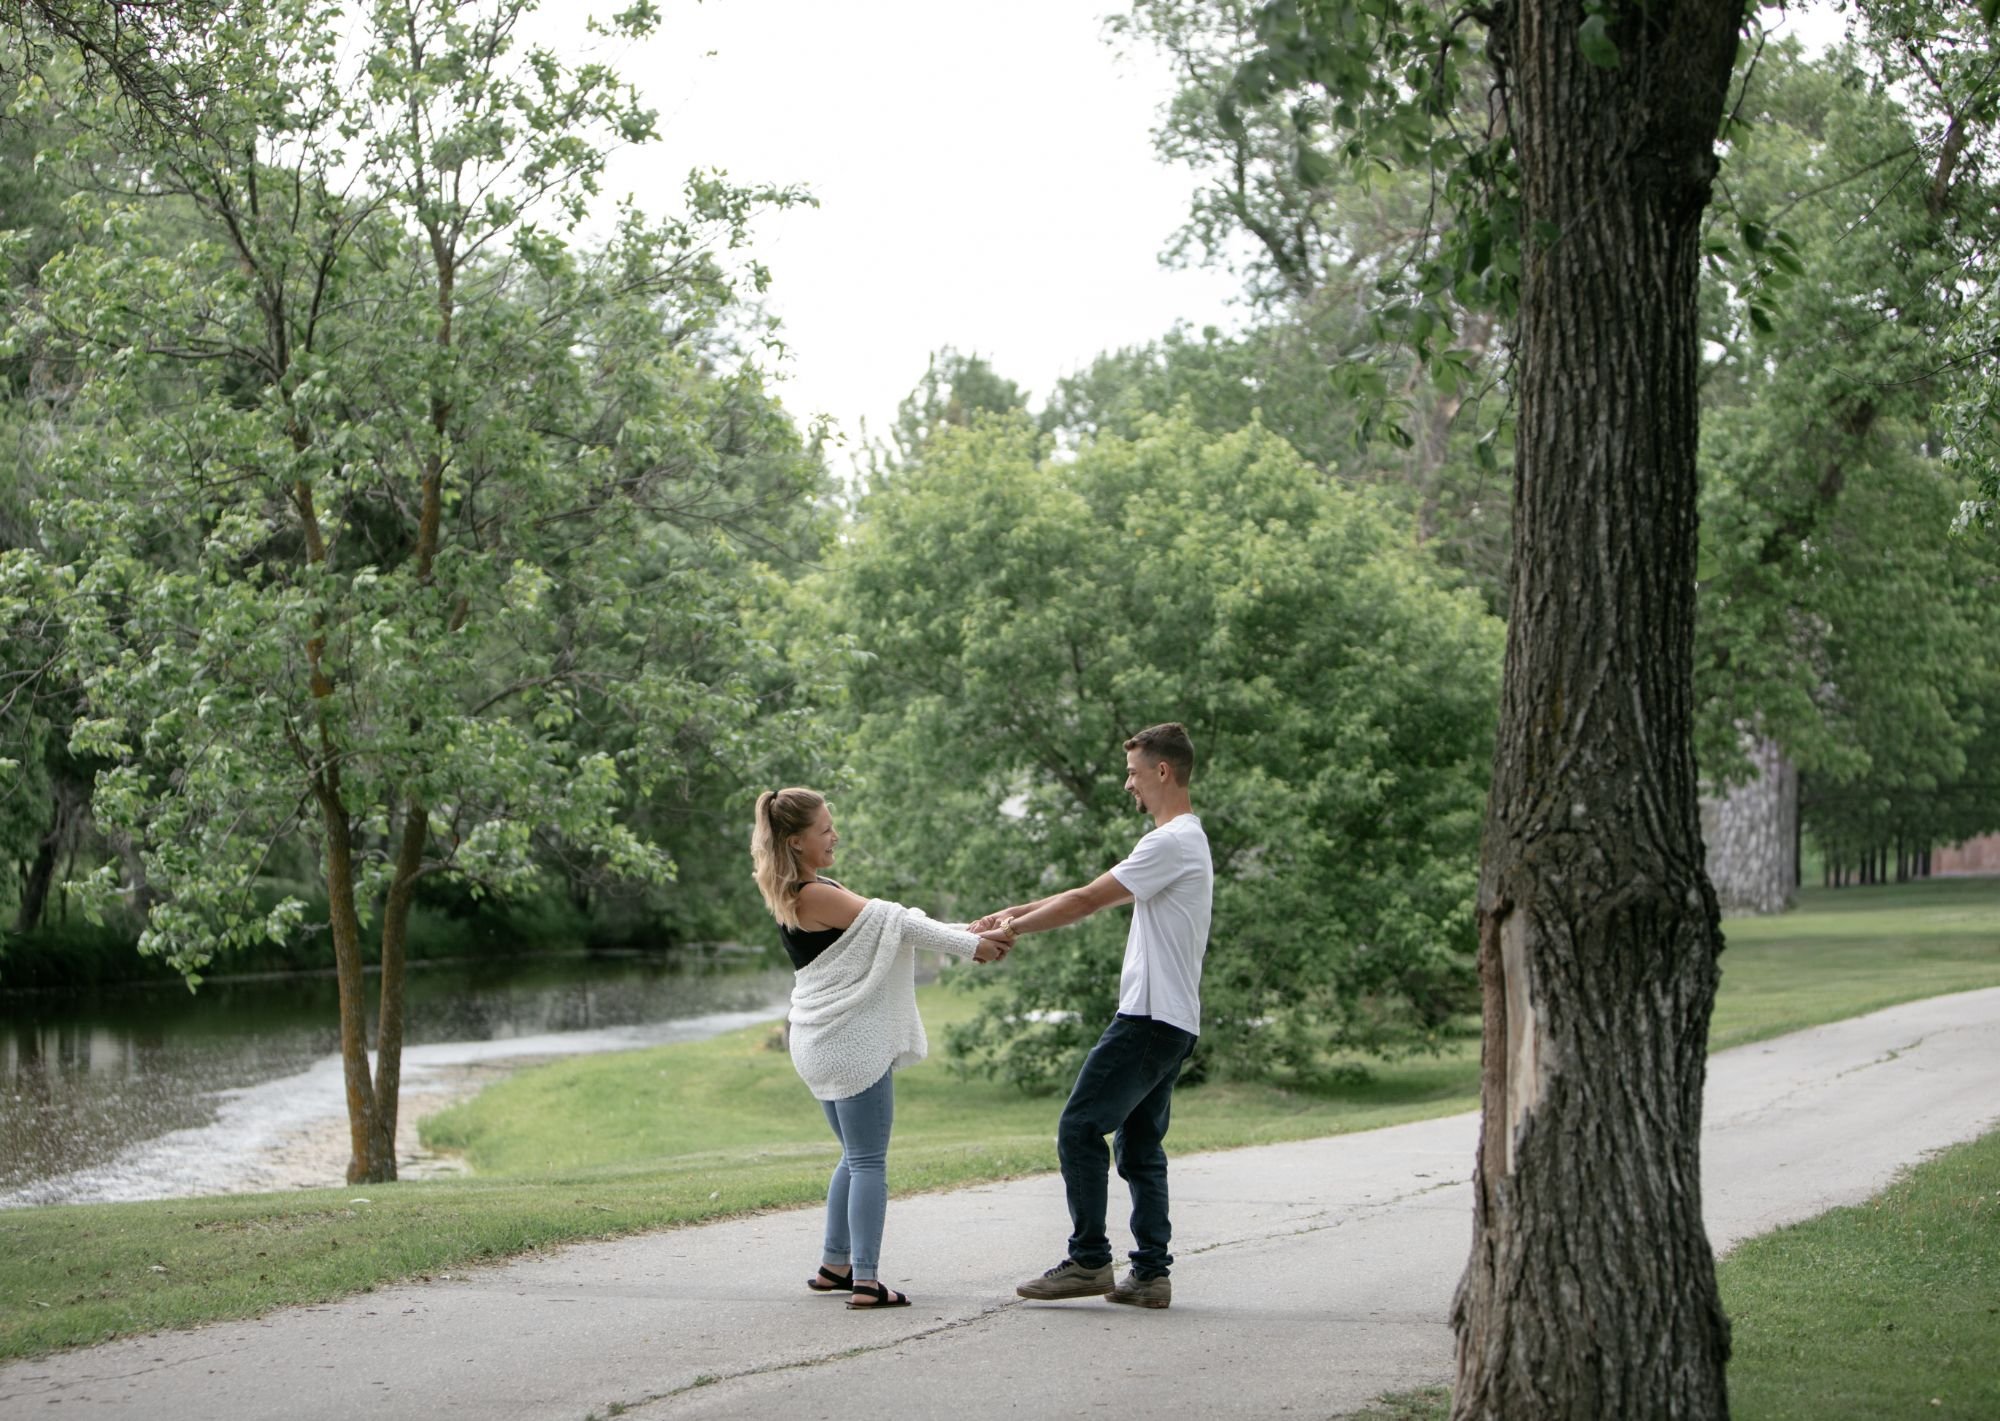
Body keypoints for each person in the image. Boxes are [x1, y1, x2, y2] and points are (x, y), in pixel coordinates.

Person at [972, 722, 1213, 1311]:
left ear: (1162, 771)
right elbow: (1094, 891)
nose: (1127, 784)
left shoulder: (1169, 842)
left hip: (1148, 1019)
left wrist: (1010, 930)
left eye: (1133, 773)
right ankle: (1150, 1276)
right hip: (1175, 1019)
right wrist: (1015, 910)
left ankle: (1088, 1260)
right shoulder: (1185, 840)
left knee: (1079, 1127)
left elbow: (1085, 901)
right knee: (1139, 1147)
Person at [751, 787, 1012, 1310]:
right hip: (846, 1043)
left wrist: (970, 930)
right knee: (869, 1161)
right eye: (825, 829)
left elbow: (893, 929)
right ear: (796, 841)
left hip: (819, 1038)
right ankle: (867, 1282)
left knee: (854, 1157)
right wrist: (971, 946)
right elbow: (898, 924)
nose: (835, 835)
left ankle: (835, 1265)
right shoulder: (813, 894)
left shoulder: (801, 889)